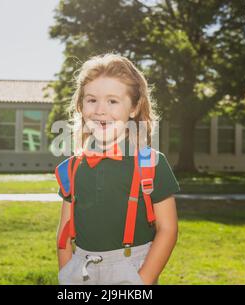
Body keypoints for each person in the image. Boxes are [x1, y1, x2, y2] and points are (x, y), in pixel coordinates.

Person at [55, 53, 180, 285]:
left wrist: (142, 281)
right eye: (91, 100)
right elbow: (64, 232)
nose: (100, 110)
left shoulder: (151, 164)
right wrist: (67, 274)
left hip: (131, 270)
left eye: (112, 101)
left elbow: (168, 229)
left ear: (134, 107)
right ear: (81, 106)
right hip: (81, 270)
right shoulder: (72, 168)